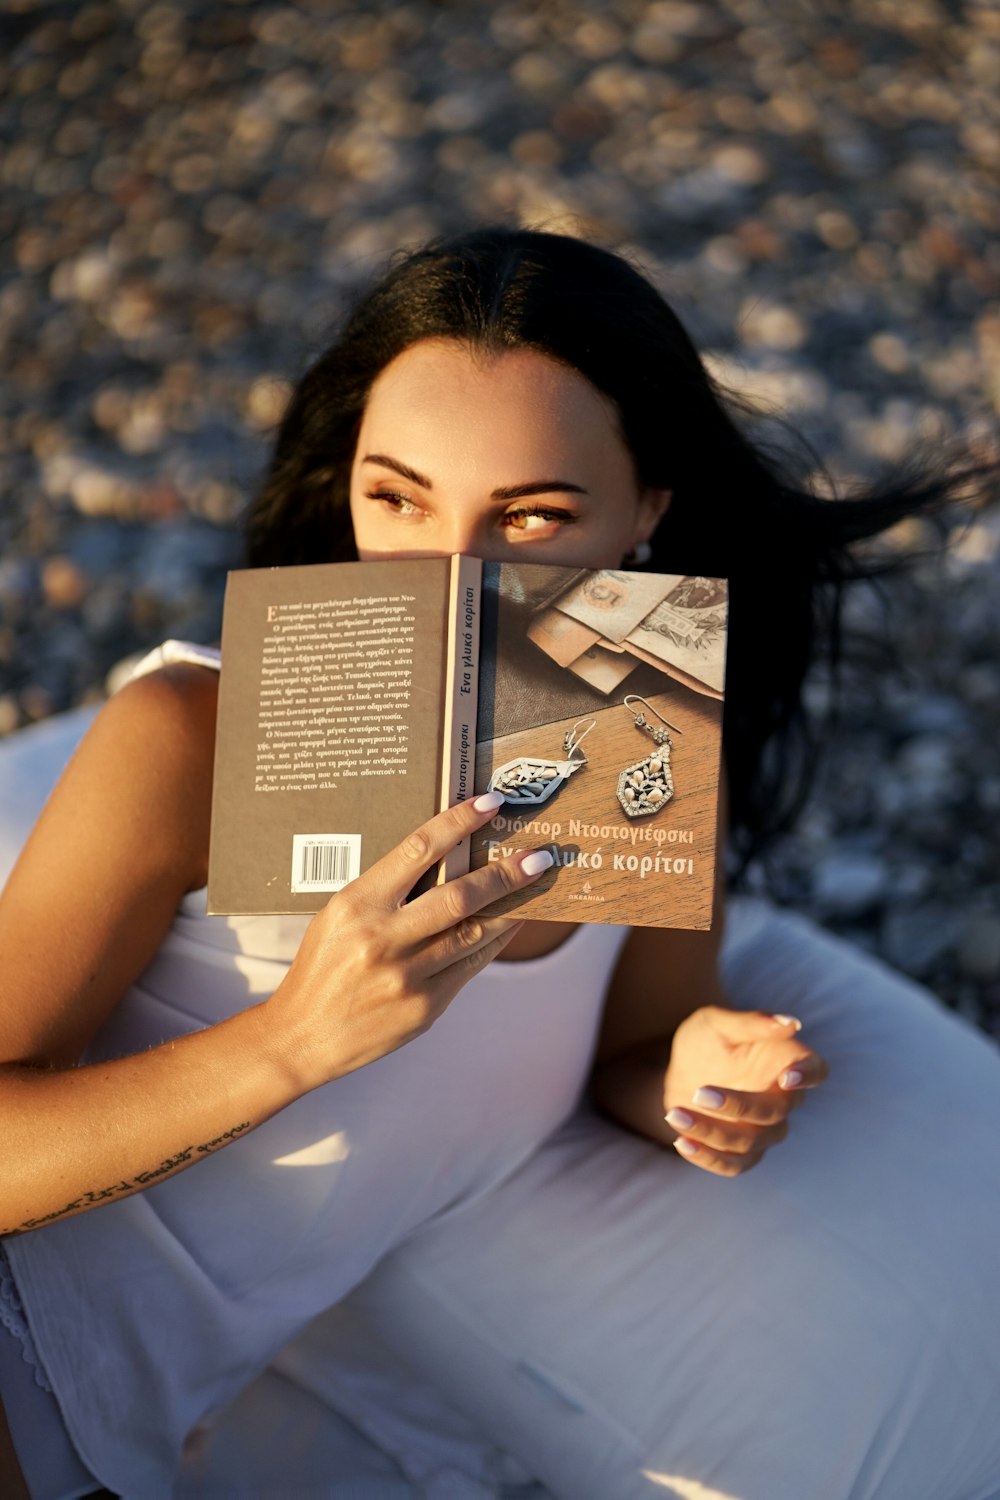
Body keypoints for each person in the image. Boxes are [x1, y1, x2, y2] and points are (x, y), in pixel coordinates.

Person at [1, 227, 999, 1500]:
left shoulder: (650, 761)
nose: (450, 573)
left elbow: (631, 1056)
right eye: (397, 497)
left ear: (650, 510)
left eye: (531, 516)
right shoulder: (196, 734)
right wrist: (295, 1037)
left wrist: (703, 1080)